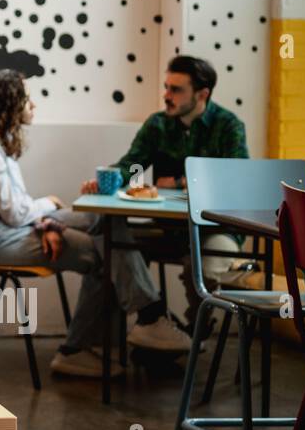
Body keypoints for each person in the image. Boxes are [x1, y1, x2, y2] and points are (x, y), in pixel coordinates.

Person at [0, 70, 190, 379]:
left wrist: (47, 224)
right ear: (8, 103)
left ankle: (140, 324)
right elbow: (15, 214)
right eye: (27, 98)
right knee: (107, 252)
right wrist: (50, 205)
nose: (33, 105)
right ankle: (109, 336)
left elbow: (17, 212)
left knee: (103, 219)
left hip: (13, 229)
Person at [79, 55, 249, 320]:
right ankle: (147, 327)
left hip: (214, 229)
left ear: (202, 94)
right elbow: (133, 166)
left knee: (202, 271)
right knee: (112, 251)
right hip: (168, 228)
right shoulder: (157, 124)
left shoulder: (228, 126)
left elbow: (236, 177)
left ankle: (194, 333)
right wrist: (109, 179)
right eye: (166, 87)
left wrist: (181, 181)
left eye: (176, 89)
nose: (166, 95)